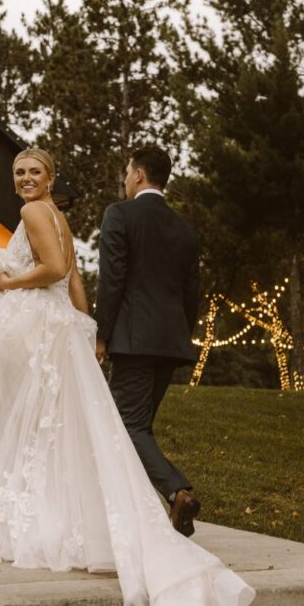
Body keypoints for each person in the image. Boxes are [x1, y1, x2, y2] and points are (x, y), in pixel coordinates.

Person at [0, 148, 254, 606]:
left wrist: (6, 282)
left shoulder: (43, 213)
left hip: (62, 337)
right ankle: (102, 509)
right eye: (19, 173)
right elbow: (79, 282)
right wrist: (84, 326)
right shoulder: (74, 217)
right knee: (69, 431)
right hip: (95, 337)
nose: (26, 179)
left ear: (51, 177)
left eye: (34, 171)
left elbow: (55, 270)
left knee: (68, 430)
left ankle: (91, 510)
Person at [94, 145, 202, 538]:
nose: (124, 180)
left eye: (127, 172)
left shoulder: (119, 214)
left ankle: (177, 492)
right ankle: (142, 512)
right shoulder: (184, 229)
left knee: (127, 426)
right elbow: (192, 295)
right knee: (140, 429)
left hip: (132, 340)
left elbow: (112, 280)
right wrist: (178, 334)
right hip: (170, 342)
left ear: (139, 175)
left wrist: (102, 334)